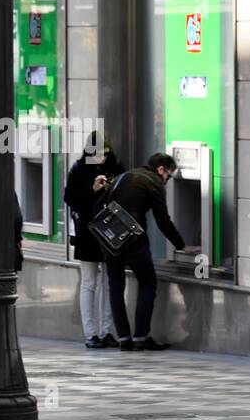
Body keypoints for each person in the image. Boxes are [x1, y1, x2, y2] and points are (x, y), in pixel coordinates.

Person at [93, 152, 198, 351]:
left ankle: (124, 339)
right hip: (133, 241)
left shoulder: (125, 176)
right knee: (148, 283)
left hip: (109, 239)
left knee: (115, 285)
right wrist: (181, 245)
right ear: (161, 170)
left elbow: (102, 203)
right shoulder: (153, 183)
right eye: (169, 175)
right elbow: (163, 220)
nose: (167, 181)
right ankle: (141, 337)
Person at [65, 134, 124, 348]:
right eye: (97, 153)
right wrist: (93, 190)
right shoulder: (79, 169)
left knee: (109, 282)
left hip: (111, 231)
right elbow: (70, 198)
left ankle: (106, 330)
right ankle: (91, 334)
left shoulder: (117, 168)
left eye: (105, 153)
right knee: (89, 282)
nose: (101, 157)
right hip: (88, 232)